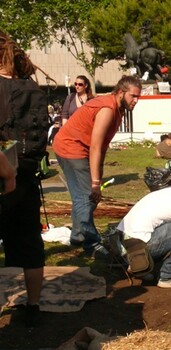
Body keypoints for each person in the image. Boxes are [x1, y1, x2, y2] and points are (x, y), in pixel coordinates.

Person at [53, 75, 142, 259]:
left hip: (79, 148)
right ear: (120, 92)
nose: (136, 100)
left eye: (138, 97)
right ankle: (91, 244)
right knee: (86, 196)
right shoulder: (108, 108)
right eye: (133, 96)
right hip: (71, 147)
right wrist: (95, 183)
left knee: (85, 197)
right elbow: (95, 146)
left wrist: (98, 177)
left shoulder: (118, 110)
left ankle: (78, 236)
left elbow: (102, 146)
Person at [0, 30, 47, 327]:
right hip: (29, 175)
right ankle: (33, 305)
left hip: (5, 176)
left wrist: (7, 174)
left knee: (28, 242)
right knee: (30, 243)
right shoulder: (35, 90)